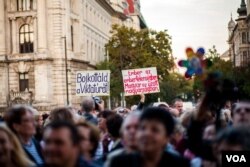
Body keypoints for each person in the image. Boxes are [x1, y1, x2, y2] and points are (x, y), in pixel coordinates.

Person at [108, 107, 190, 167]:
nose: (146, 134)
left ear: (167, 137)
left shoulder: (179, 164)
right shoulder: (119, 162)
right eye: (142, 128)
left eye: (155, 130)